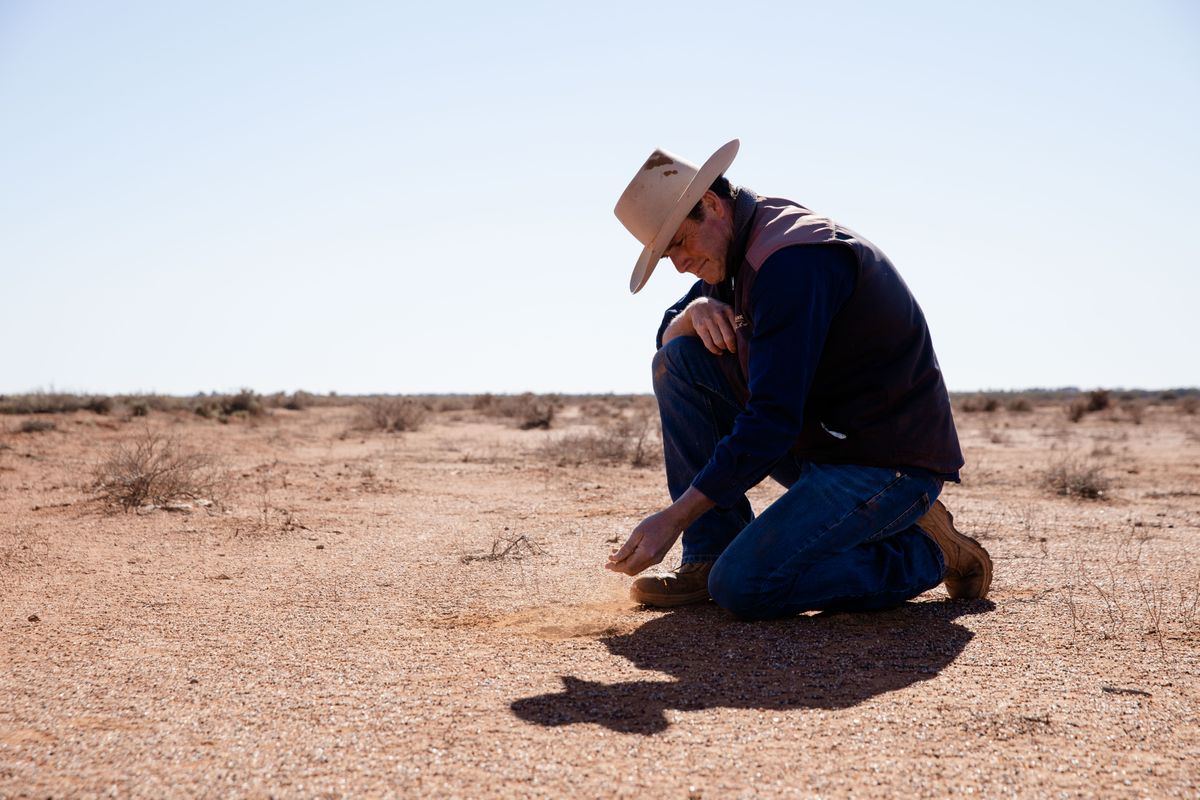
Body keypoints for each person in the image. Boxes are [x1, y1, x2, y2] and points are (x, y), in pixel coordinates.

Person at [606, 139, 992, 619]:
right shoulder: (733, 248)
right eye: (668, 257)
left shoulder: (791, 259)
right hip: (820, 448)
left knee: (745, 586)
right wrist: (694, 310)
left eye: (679, 244)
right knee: (680, 358)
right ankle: (707, 558)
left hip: (882, 464)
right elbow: (669, 335)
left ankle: (927, 552)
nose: (681, 263)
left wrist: (675, 517)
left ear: (710, 205)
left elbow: (771, 421)